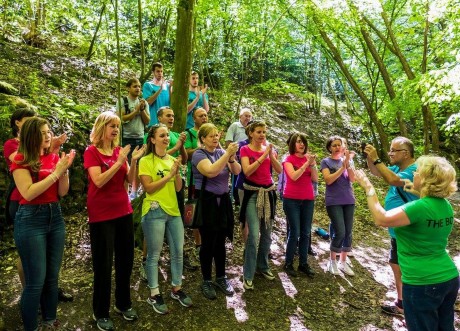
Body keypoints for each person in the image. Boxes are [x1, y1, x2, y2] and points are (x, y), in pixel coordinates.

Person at [355, 156, 459, 331]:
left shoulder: (418, 208)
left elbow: (382, 218)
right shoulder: (445, 205)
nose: (414, 174)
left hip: (421, 282)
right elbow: (428, 208)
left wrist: (369, 188)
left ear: (426, 179)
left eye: (417, 172)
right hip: (448, 278)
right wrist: (418, 192)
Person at [11, 117, 75, 331]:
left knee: (52, 278)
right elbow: (27, 193)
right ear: (31, 135)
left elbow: (62, 192)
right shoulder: (20, 159)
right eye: (43, 132)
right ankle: (31, 327)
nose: (48, 136)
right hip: (30, 219)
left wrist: (64, 172)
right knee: (35, 281)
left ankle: (49, 321)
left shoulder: (53, 157)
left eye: (49, 131)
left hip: (54, 217)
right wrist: (56, 173)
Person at [84, 111, 144, 331]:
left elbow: (132, 182)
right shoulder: (92, 152)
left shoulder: (119, 151)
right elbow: (98, 181)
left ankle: (123, 303)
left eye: (118, 126)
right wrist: (118, 162)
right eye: (112, 125)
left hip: (123, 210)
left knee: (125, 260)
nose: (116, 129)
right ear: (101, 128)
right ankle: (100, 311)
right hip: (101, 214)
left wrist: (133, 161)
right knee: (103, 264)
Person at [139, 123, 193, 314]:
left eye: (167, 135)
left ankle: (176, 288)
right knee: (154, 254)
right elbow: (149, 188)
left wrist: (176, 172)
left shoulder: (172, 159)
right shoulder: (146, 161)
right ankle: (154, 293)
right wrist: (169, 175)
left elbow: (178, 188)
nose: (166, 138)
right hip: (154, 211)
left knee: (178, 251)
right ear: (152, 139)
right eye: (162, 135)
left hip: (174, 211)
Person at [363, 137, 418, 316]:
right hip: (398, 229)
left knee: (407, 267)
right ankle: (402, 303)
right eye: (390, 150)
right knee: (395, 264)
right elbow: (378, 173)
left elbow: (393, 180)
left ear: (406, 153)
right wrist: (370, 158)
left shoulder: (414, 171)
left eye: (394, 150)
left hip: (409, 229)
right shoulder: (396, 168)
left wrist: (377, 159)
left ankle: (412, 304)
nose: (390, 153)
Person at [191, 123, 241, 299]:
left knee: (221, 241)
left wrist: (232, 157)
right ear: (203, 138)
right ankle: (206, 280)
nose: (215, 138)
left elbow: (237, 171)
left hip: (223, 201)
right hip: (207, 202)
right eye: (210, 136)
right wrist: (227, 154)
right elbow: (210, 171)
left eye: (216, 135)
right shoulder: (199, 154)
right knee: (208, 242)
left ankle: (221, 276)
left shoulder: (221, 153)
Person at [239, 120, 282, 290]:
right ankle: (248, 273)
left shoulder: (270, 149)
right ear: (251, 133)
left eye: (264, 131)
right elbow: (247, 171)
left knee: (267, 233)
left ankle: (263, 266)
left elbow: (279, 170)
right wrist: (263, 156)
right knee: (253, 235)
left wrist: (270, 156)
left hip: (268, 193)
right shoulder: (245, 149)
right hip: (252, 193)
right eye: (258, 131)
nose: (262, 134)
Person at [282, 132, 318, 278]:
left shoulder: (308, 159)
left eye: (303, 141)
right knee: (295, 231)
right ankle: (288, 263)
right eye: (298, 141)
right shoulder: (288, 159)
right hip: (291, 199)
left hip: (308, 199)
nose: (301, 144)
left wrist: (313, 164)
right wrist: (306, 164)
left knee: (305, 232)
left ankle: (303, 263)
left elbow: (315, 179)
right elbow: (294, 176)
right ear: (292, 144)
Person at [320, 136, 356, 276]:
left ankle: (343, 261)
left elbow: (352, 179)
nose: (337, 147)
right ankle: (332, 261)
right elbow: (328, 180)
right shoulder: (326, 162)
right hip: (334, 201)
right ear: (329, 148)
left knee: (348, 232)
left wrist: (349, 163)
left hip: (349, 199)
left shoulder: (346, 160)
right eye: (334, 145)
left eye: (339, 145)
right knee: (340, 231)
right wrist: (342, 167)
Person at [117, 78, 150, 200]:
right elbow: (121, 118)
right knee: (125, 165)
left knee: (137, 166)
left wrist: (141, 110)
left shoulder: (143, 103)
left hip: (140, 137)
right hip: (126, 137)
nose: (138, 88)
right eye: (135, 86)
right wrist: (135, 111)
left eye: (139, 86)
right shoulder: (123, 101)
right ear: (128, 88)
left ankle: (134, 192)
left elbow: (147, 121)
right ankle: (125, 191)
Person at [184, 108, 208, 266]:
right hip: (194, 179)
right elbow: (185, 154)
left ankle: (207, 243)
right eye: (201, 116)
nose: (204, 118)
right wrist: (201, 148)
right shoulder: (189, 134)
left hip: (210, 180)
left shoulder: (210, 133)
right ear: (194, 118)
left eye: (205, 115)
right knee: (195, 212)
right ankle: (198, 244)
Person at [225, 108, 253, 206]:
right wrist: (231, 154)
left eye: (249, 116)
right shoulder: (235, 126)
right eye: (246, 115)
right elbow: (228, 140)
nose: (247, 118)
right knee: (237, 176)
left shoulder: (253, 127)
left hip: (250, 157)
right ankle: (236, 198)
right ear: (240, 116)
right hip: (237, 156)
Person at [142, 62, 171, 127]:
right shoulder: (148, 85)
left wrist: (170, 88)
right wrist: (160, 89)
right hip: (153, 122)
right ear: (153, 72)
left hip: (166, 124)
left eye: (161, 71)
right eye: (158, 71)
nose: (160, 73)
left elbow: (171, 103)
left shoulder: (167, 86)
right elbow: (148, 102)